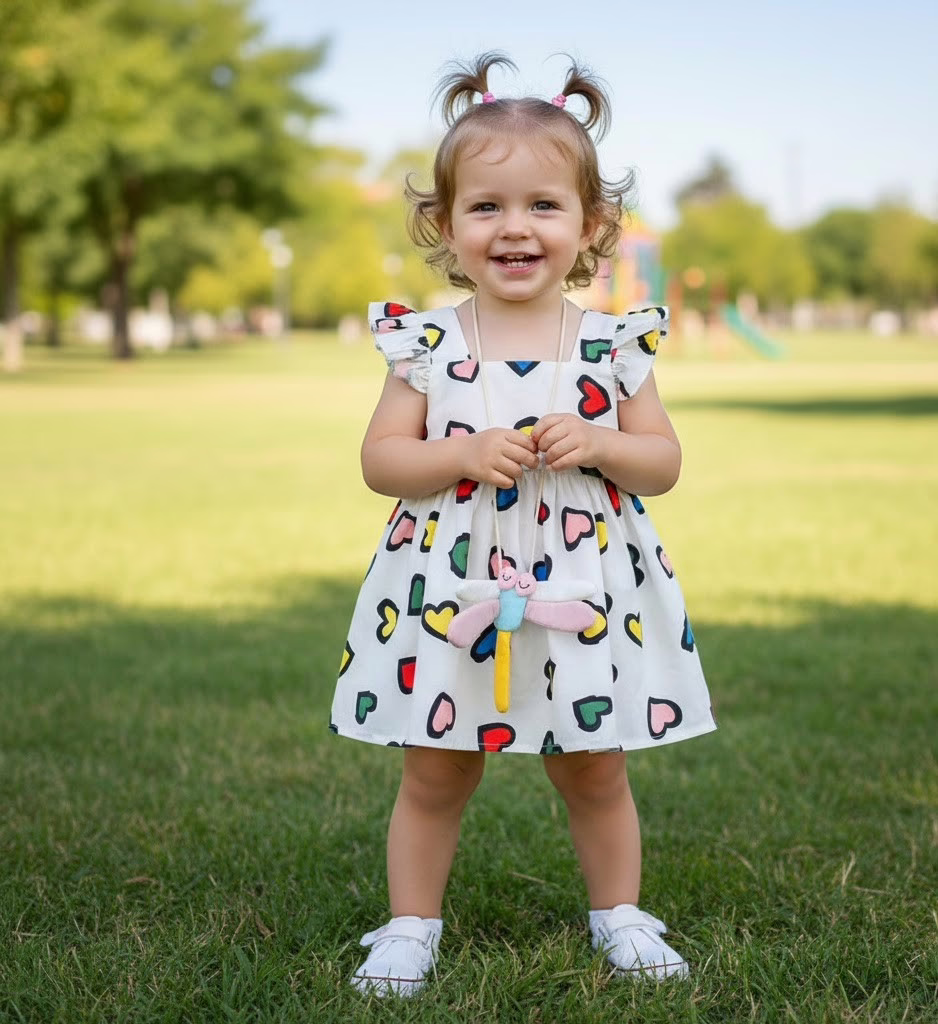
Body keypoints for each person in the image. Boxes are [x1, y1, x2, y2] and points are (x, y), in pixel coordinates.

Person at [330, 52, 716, 998]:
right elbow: (381, 459)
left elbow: (662, 463)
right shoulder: (425, 345)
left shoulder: (611, 344)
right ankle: (411, 925)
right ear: (446, 226)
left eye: (544, 205)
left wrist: (602, 441)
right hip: (449, 586)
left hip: (583, 589)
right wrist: (457, 454)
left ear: (592, 226)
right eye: (487, 207)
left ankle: (618, 914)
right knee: (435, 769)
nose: (515, 228)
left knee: (594, 765)